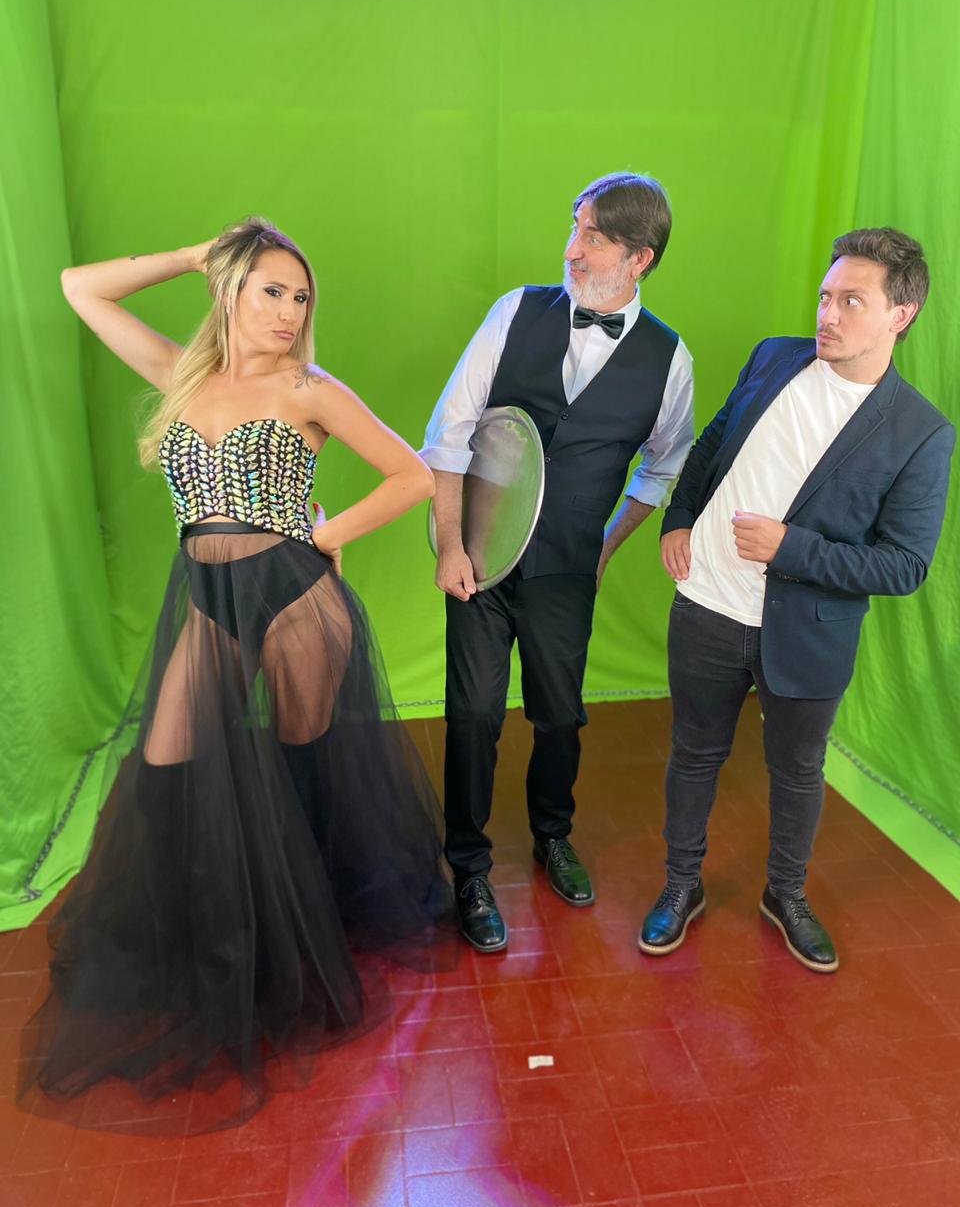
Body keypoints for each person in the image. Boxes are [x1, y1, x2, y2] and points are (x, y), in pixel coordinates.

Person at [19, 218, 454, 1128]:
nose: (289, 311)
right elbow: (79, 288)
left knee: (303, 762)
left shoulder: (309, 389)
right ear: (229, 292)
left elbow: (412, 477)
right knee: (168, 761)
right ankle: (204, 927)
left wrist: (326, 535)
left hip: (295, 596)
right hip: (208, 598)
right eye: (271, 290)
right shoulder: (182, 373)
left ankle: (307, 930)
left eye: (301, 297)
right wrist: (191, 256)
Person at [639, 227, 954, 973]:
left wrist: (791, 549)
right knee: (694, 753)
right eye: (825, 295)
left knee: (798, 770)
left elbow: (905, 565)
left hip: (809, 630)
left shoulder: (921, 433)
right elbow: (712, 445)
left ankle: (786, 894)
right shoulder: (774, 357)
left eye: (852, 301)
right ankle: (680, 885)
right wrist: (679, 519)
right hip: (708, 605)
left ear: (900, 315)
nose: (828, 314)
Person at [423, 173, 694, 952]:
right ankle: (469, 868)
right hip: (479, 560)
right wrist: (449, 543)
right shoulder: (515, 311)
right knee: (474, 716)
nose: (572, 250)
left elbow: (664, 468)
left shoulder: (669, 360)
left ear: (639, 258)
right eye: (574, 228)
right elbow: (449, 433)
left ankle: (552, 835)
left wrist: (605, 545)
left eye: (594, 238)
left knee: (559, 715)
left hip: (570, 570)